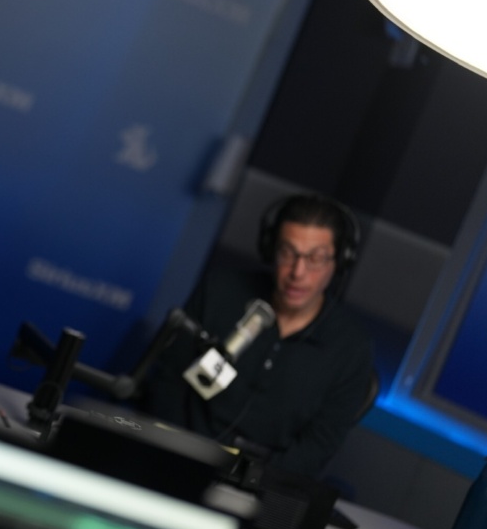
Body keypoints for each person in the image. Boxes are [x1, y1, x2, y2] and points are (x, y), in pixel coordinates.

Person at [140, 194, 374, 478]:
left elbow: (318, 446)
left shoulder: (351, 348)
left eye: (316, 259)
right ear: (270, 249)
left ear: (339, 262)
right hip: (178, 458)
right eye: (288, 253)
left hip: (261, 483)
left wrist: (253, 481)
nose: (298, 272)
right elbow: (168, 381)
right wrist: (178, 453)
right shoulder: (220, 291)